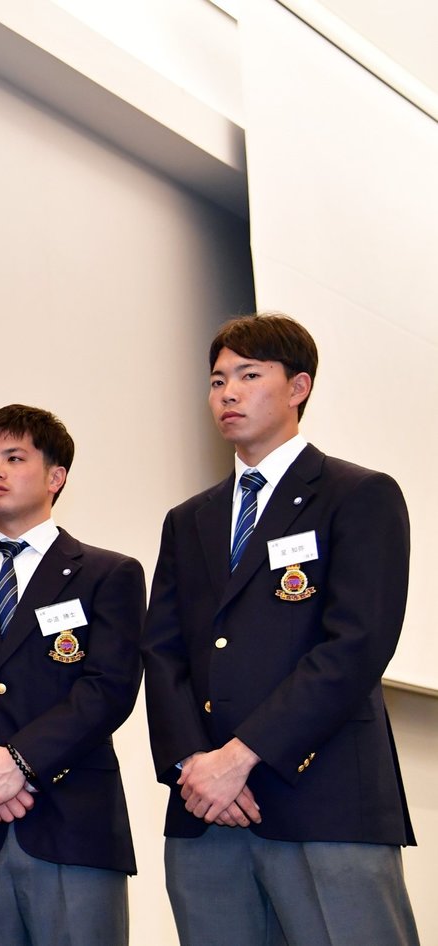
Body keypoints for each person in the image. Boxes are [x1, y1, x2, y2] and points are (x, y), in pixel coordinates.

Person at [142, 312, 417, 944]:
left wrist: (242, 756)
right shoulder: (189, 519)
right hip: (208, 809)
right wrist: (195, 765)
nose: (228, 393)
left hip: (324, 798)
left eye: (248, 375)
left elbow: (356, 645)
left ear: (298, 387)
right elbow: (163, 652)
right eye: (217, 381)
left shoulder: (357, 494)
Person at [0, 404, 144, 945]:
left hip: (72, 825)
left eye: (14, 458)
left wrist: (20, 762)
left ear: (56, 477)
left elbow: (108, 688)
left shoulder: (109, 574)